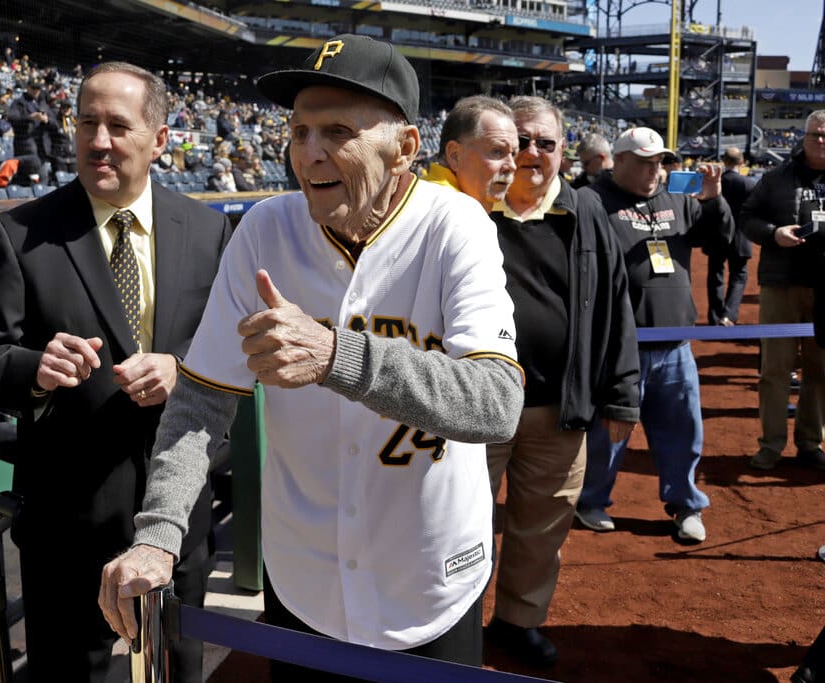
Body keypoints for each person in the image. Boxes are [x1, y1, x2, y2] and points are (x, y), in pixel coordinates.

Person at [98, 34, 524, 679]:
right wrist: (158, 534)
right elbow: (202, 400)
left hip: (427, 576)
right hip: (304, 578)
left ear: (405, 148)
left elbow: (495, 404)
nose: (309, 152)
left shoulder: (455, 226)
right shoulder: (265, 229)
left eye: (338, 131)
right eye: (298, 131)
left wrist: (335, 355)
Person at [0, 62, 233, 683]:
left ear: (160, 139)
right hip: (67, 524)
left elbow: (232, 348)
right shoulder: (20, 233)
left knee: (177, 668)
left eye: (117, 125)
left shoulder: (209, 229)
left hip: (177, 512)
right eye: (86, 123)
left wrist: (180, 368)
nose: (98, 140)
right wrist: (35, 368)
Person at [465, 96, 639, 668]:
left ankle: (518, 622)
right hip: (475, 404)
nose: (532, 153)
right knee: (459, 521)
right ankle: (455, 621)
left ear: (564, 153)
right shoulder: (466, 207)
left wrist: (620, 394)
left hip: (557, 407)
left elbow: (614, 303)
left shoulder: (585, 210)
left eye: (546, 142)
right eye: (521, 141)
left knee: (542, 526)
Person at [575, 126, 733, 543]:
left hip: (676, 344)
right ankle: (591, 501)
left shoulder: (678, 200)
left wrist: (714, 199)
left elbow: (721, 241)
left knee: (682, 431)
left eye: (659, 162)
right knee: (609, 430)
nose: (654, 170)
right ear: (618, 161)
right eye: (644, 162)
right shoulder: (592, 201)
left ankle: (686, 505)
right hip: (619, 344)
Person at [741, 111, 825, 471]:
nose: (821, 141)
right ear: (803, 137)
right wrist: (774, 233)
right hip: (781, 284)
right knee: (775, 369)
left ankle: (810, 442)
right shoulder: (776, 178)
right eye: (815, 134)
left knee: (821, 371)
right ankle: (771, 445)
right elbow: (747, 217)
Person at [421, 94, 517, 211]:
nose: (512, 166)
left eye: (513, 154)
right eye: (497, 151)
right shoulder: (459, 214)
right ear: (454, 155)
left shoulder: (422, 196)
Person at [706, 147, 754, 327]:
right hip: (740, 236)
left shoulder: (714, 182)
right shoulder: (748, 184)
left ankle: (714, 316)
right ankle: (728, 315)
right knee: (739, 276)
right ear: (741, 162)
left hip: (717, 235)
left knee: (715, 275)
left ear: (724, 161)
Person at [6, 80, 52, 177]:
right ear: (28, 88)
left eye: (38, 88)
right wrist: (30, 117)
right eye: (33, 88)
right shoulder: (18, 102)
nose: (36, 91)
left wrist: (47, 120)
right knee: (27, 177)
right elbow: (12, 118)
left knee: (42, 178)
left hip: (41, 146)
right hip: (25, 145)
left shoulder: (42, 103)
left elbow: (54, 122)